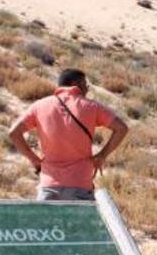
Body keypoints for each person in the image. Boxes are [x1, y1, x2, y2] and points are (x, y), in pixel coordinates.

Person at [8, 69, 128, 201]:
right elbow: (121, 128)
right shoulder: (92, 107)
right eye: (85, 85)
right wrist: (102, 155)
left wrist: (34, 160)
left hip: (48, 185)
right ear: (76, 83)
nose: (87, 90)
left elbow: (14, 133)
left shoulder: (40, 105)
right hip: (80, 183)